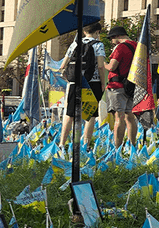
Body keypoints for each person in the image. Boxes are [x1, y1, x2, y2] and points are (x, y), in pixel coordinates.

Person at [58, 22, 108, 152]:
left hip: (75, 83)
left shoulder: (75, 44)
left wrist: (69, 78)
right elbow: (101, 66)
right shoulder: (98, 45)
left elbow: (63, 65)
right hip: (93, 82)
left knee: (70, 114)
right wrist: (103, 83)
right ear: (97, 32)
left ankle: (62, 144)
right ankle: (85, 145)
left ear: (84, 32)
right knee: (90, 115)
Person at [104, 25, 139, 147]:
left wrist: (103, 64)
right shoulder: (137, 46)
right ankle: (132, 144)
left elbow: (112, 67)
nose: (112, 42)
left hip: (117, 85)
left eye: (111, 38)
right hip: (132, 86)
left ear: (117, 36)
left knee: (118, 117)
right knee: (130, 116)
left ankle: (117, 147)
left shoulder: (120, 48)